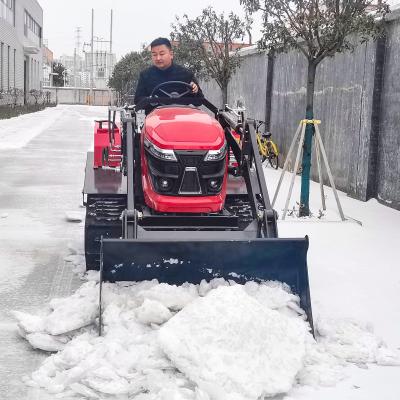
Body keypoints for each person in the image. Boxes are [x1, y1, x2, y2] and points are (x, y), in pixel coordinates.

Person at [134, 37, 203, 113]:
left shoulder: (186, 74)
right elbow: (137, 100)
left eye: (162, 54)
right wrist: (151, 100)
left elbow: (199, 101)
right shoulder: (145, 75)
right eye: (154, 55)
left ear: (171, 54)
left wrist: (195, 91)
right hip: (155, 120)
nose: (158, 58)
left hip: (182, 118)